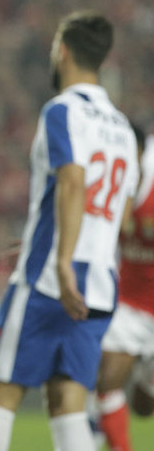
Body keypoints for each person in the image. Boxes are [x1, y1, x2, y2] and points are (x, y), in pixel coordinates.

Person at [0, 11, 139, 451]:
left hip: (50, 278)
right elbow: (121, 215)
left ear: (63, 51)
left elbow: (73, 181)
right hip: (100, 284)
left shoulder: (62, 111)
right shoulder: (123, 128)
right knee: (68, 403)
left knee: (0, 393)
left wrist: (61, 259)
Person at [93, 124, 154, 451]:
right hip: (131, 304)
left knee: (144, 408)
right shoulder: (109, 187)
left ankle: (147, 379)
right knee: (107, 381)